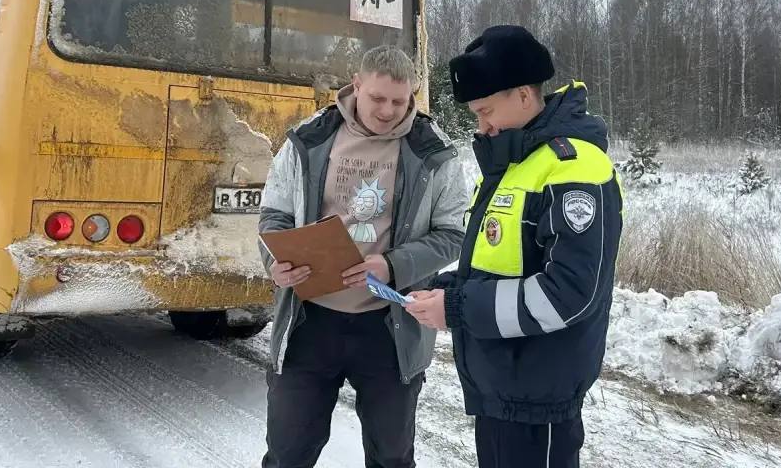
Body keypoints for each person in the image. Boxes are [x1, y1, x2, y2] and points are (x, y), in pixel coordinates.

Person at [405, 25, 624, 468]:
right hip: (505, 383)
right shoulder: (515, 162)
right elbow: (501, 262)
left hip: (537, 392)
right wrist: (444, 288)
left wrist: (458, 308)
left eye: (486, 111)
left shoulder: (572, 167)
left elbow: (567, 294)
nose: (481, 127)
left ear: (524, 95)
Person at [258, 45, 469, 468]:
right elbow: (274, 213)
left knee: (392, 457)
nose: (389, 111)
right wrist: (275, 263)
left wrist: (392, 265)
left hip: (389, 329)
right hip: (309, 322)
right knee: (287, 455)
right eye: (378, 98)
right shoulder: (309, 138)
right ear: (356, 86)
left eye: (400, 100)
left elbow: (453, 235)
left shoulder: (434, 152)